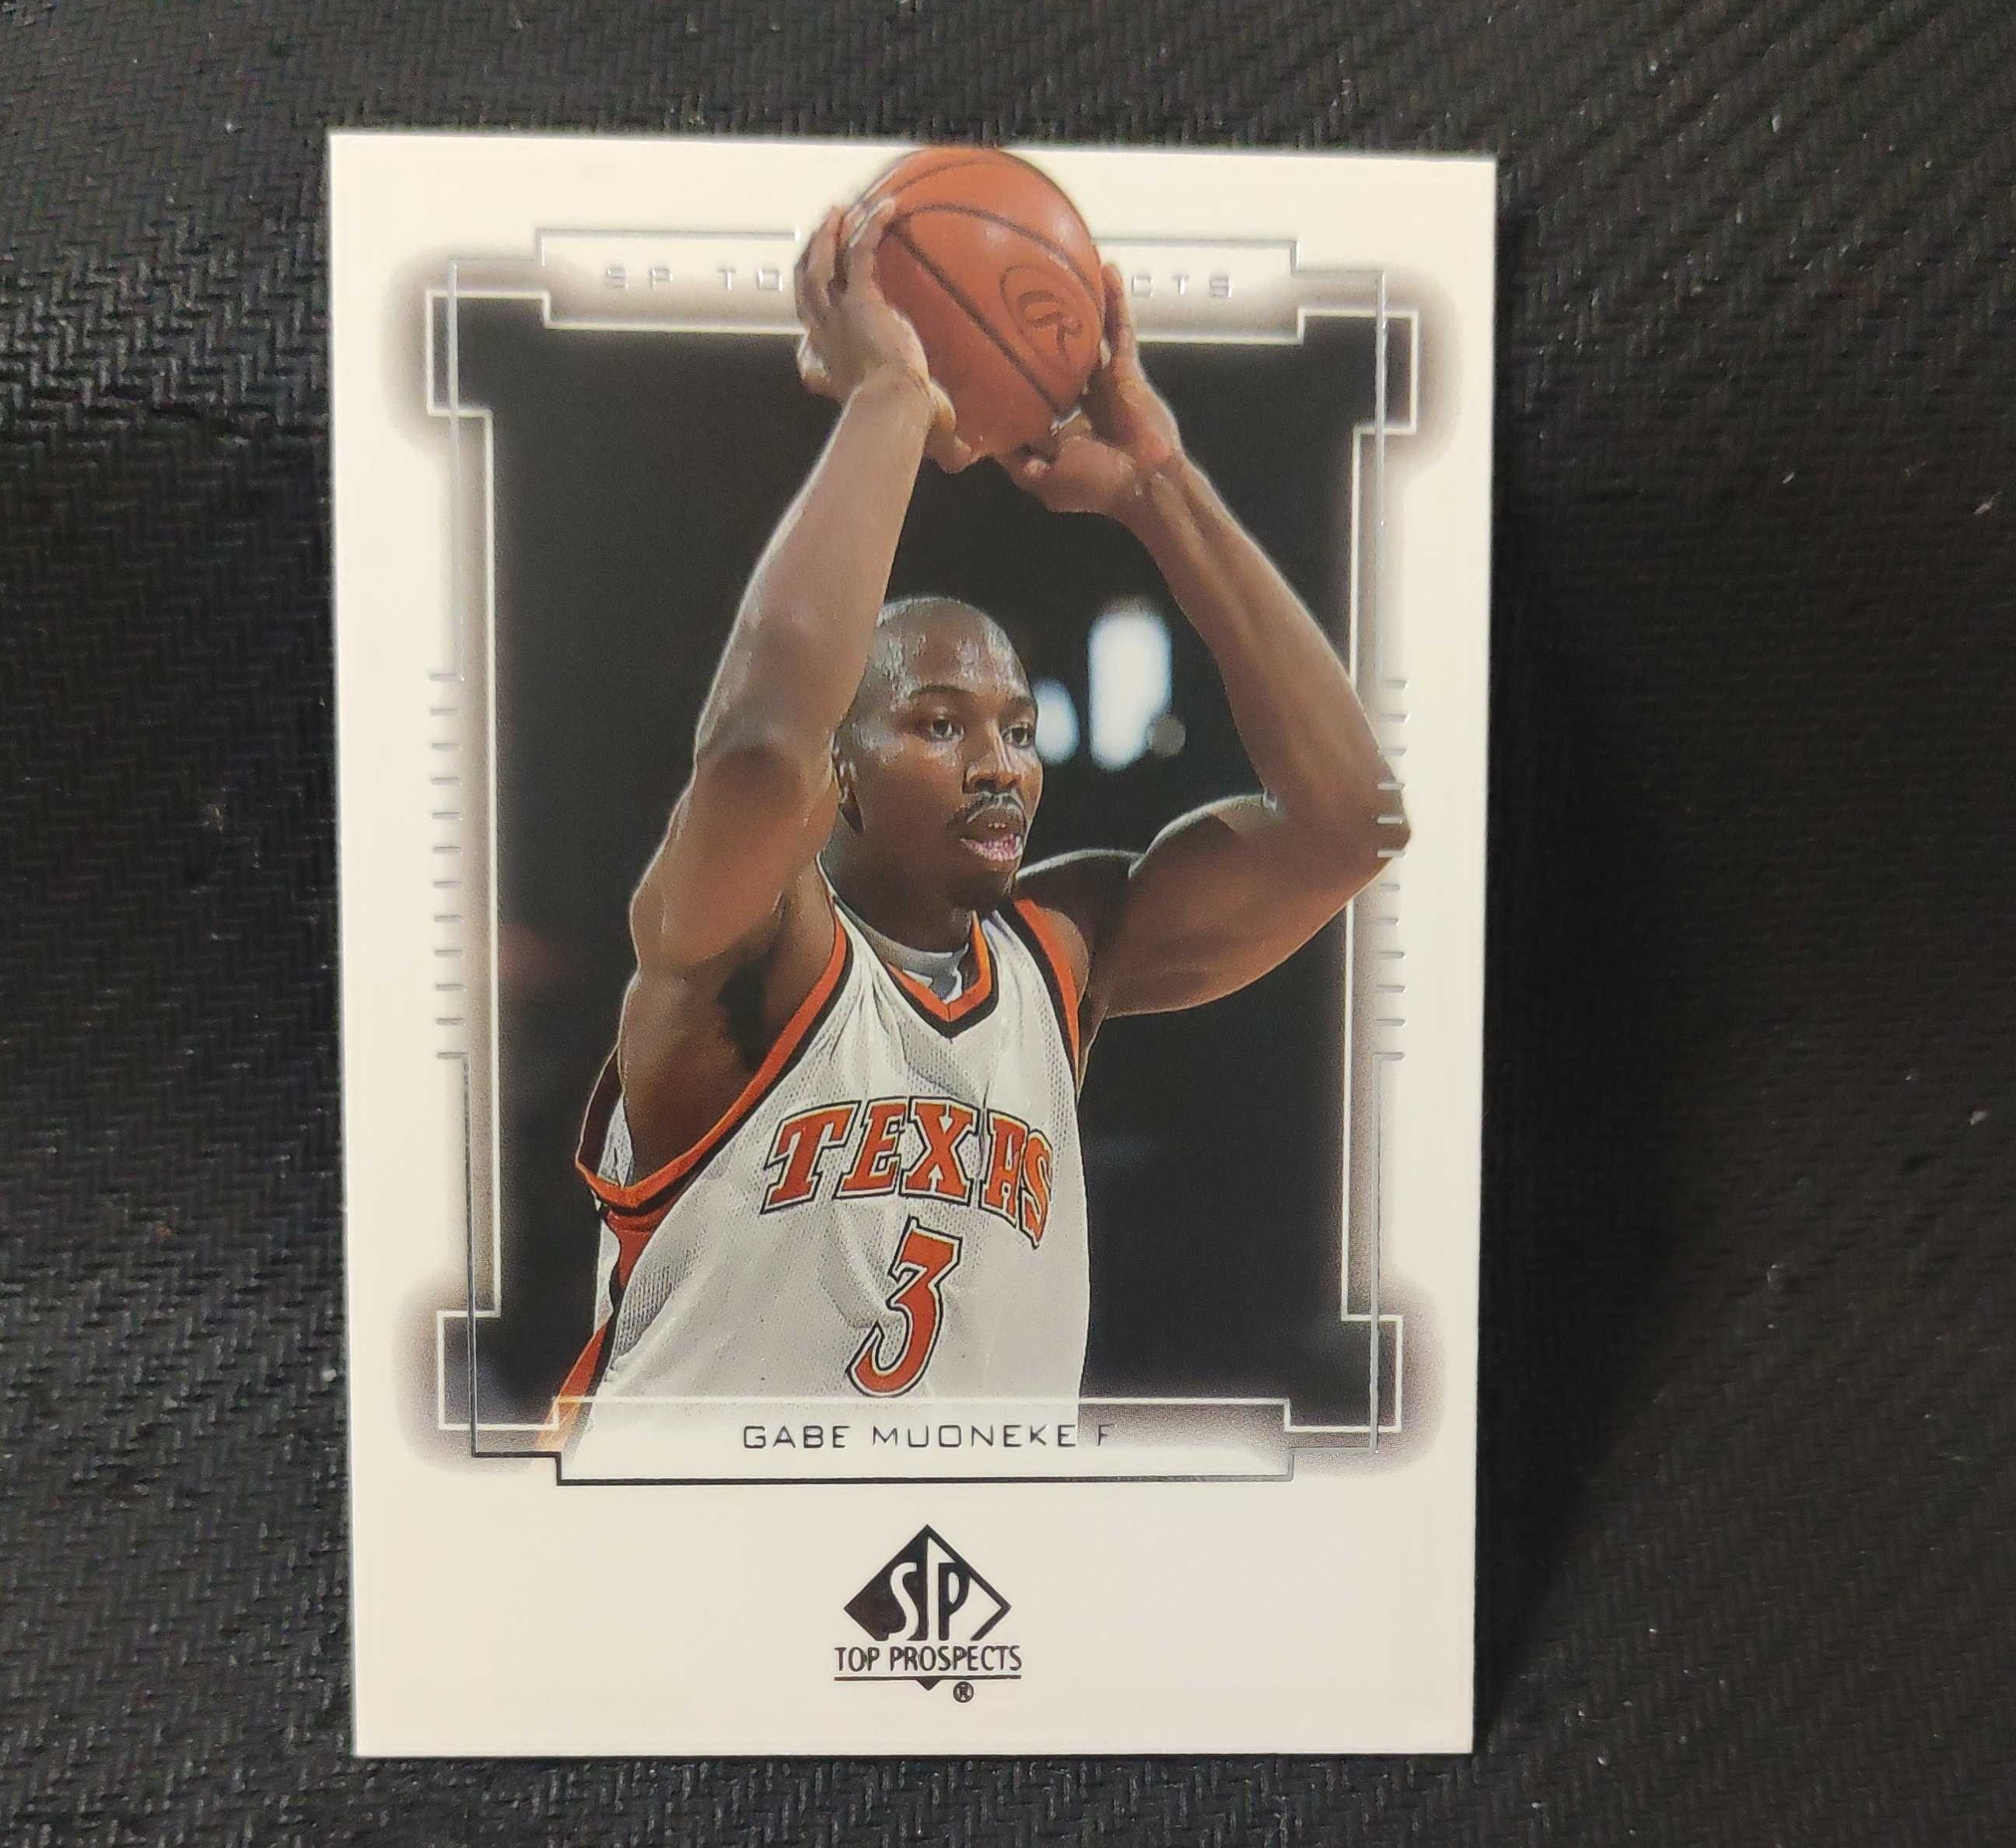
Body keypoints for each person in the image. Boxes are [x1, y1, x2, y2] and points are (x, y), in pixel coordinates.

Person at [544, 198, 1407, 1440]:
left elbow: (1350, 826)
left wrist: (1160, 488)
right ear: (842, 772)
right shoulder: (754, 953)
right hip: (688, 1545)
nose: (999, 765)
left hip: (969, 1550)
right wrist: (892, 398)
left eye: (1018, 727)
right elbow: (759, 748)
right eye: (940, 725)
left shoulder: (1059, 958)